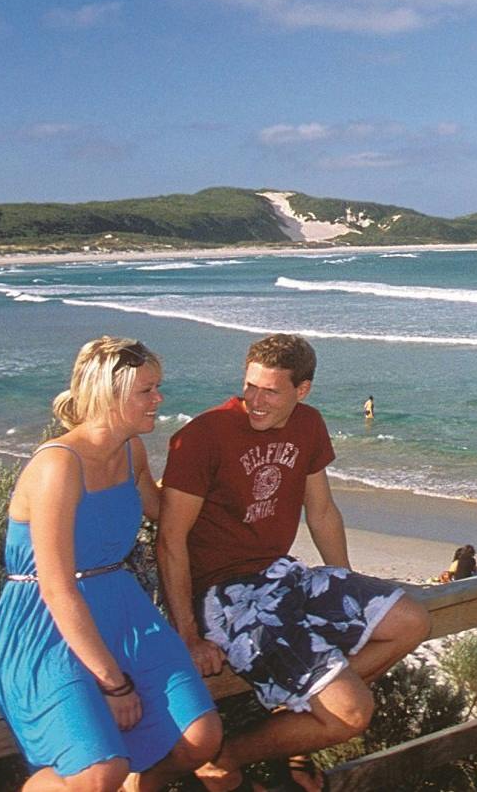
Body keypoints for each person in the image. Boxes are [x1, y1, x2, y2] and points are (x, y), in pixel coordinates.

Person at [158, 334, 433, 792]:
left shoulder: (308, 424)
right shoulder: (204, 435)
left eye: (270, 391)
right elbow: (170, 540)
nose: (255, 401)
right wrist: (188, 635)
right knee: (352, 713)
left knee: (412, 621)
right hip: (227, 595)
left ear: (301, 390)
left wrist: (347, 584)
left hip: (281, 574)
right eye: (250, 386)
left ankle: (298, 709)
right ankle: (225, 758)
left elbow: (321, 511)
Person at [0, 336, 221, 792]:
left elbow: (163, 511)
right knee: (98, 773)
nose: (159, 399)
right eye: (147, 390)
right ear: (108, 397)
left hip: (122, 608)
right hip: (47, 623)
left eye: (157, 387)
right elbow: (56, 588)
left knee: (200, 738)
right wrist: (114, 684)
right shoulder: (58, 466)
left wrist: (222, 470)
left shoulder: (131, 451)